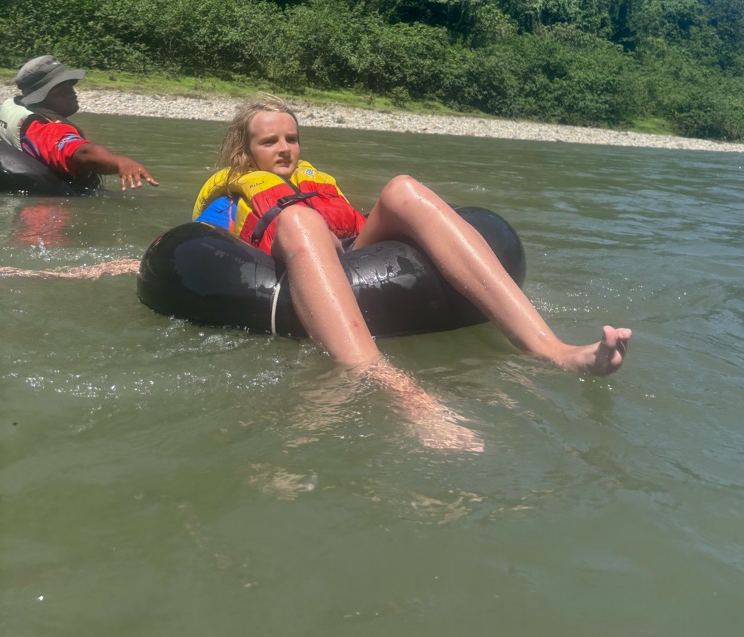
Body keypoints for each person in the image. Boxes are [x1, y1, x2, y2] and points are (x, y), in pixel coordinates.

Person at [191, 94, 632, 449]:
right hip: (290, 258)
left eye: (291, 138)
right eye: (269, 142)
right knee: (298, 219)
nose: (285, 149)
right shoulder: (227, 200)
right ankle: (395, 389)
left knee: (403, 187)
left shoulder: (315, 181)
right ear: (244, 150)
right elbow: (211, 254)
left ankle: (553, 349)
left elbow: (353, 226)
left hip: (350, 255)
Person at [0, 55, 158, 191]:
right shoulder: (44, 130)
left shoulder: (18, 109)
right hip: (56, 207)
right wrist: (120, 162)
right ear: (40, 99)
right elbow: (81, 153)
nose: (72, 93)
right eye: (61, 90)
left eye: (70, 85)